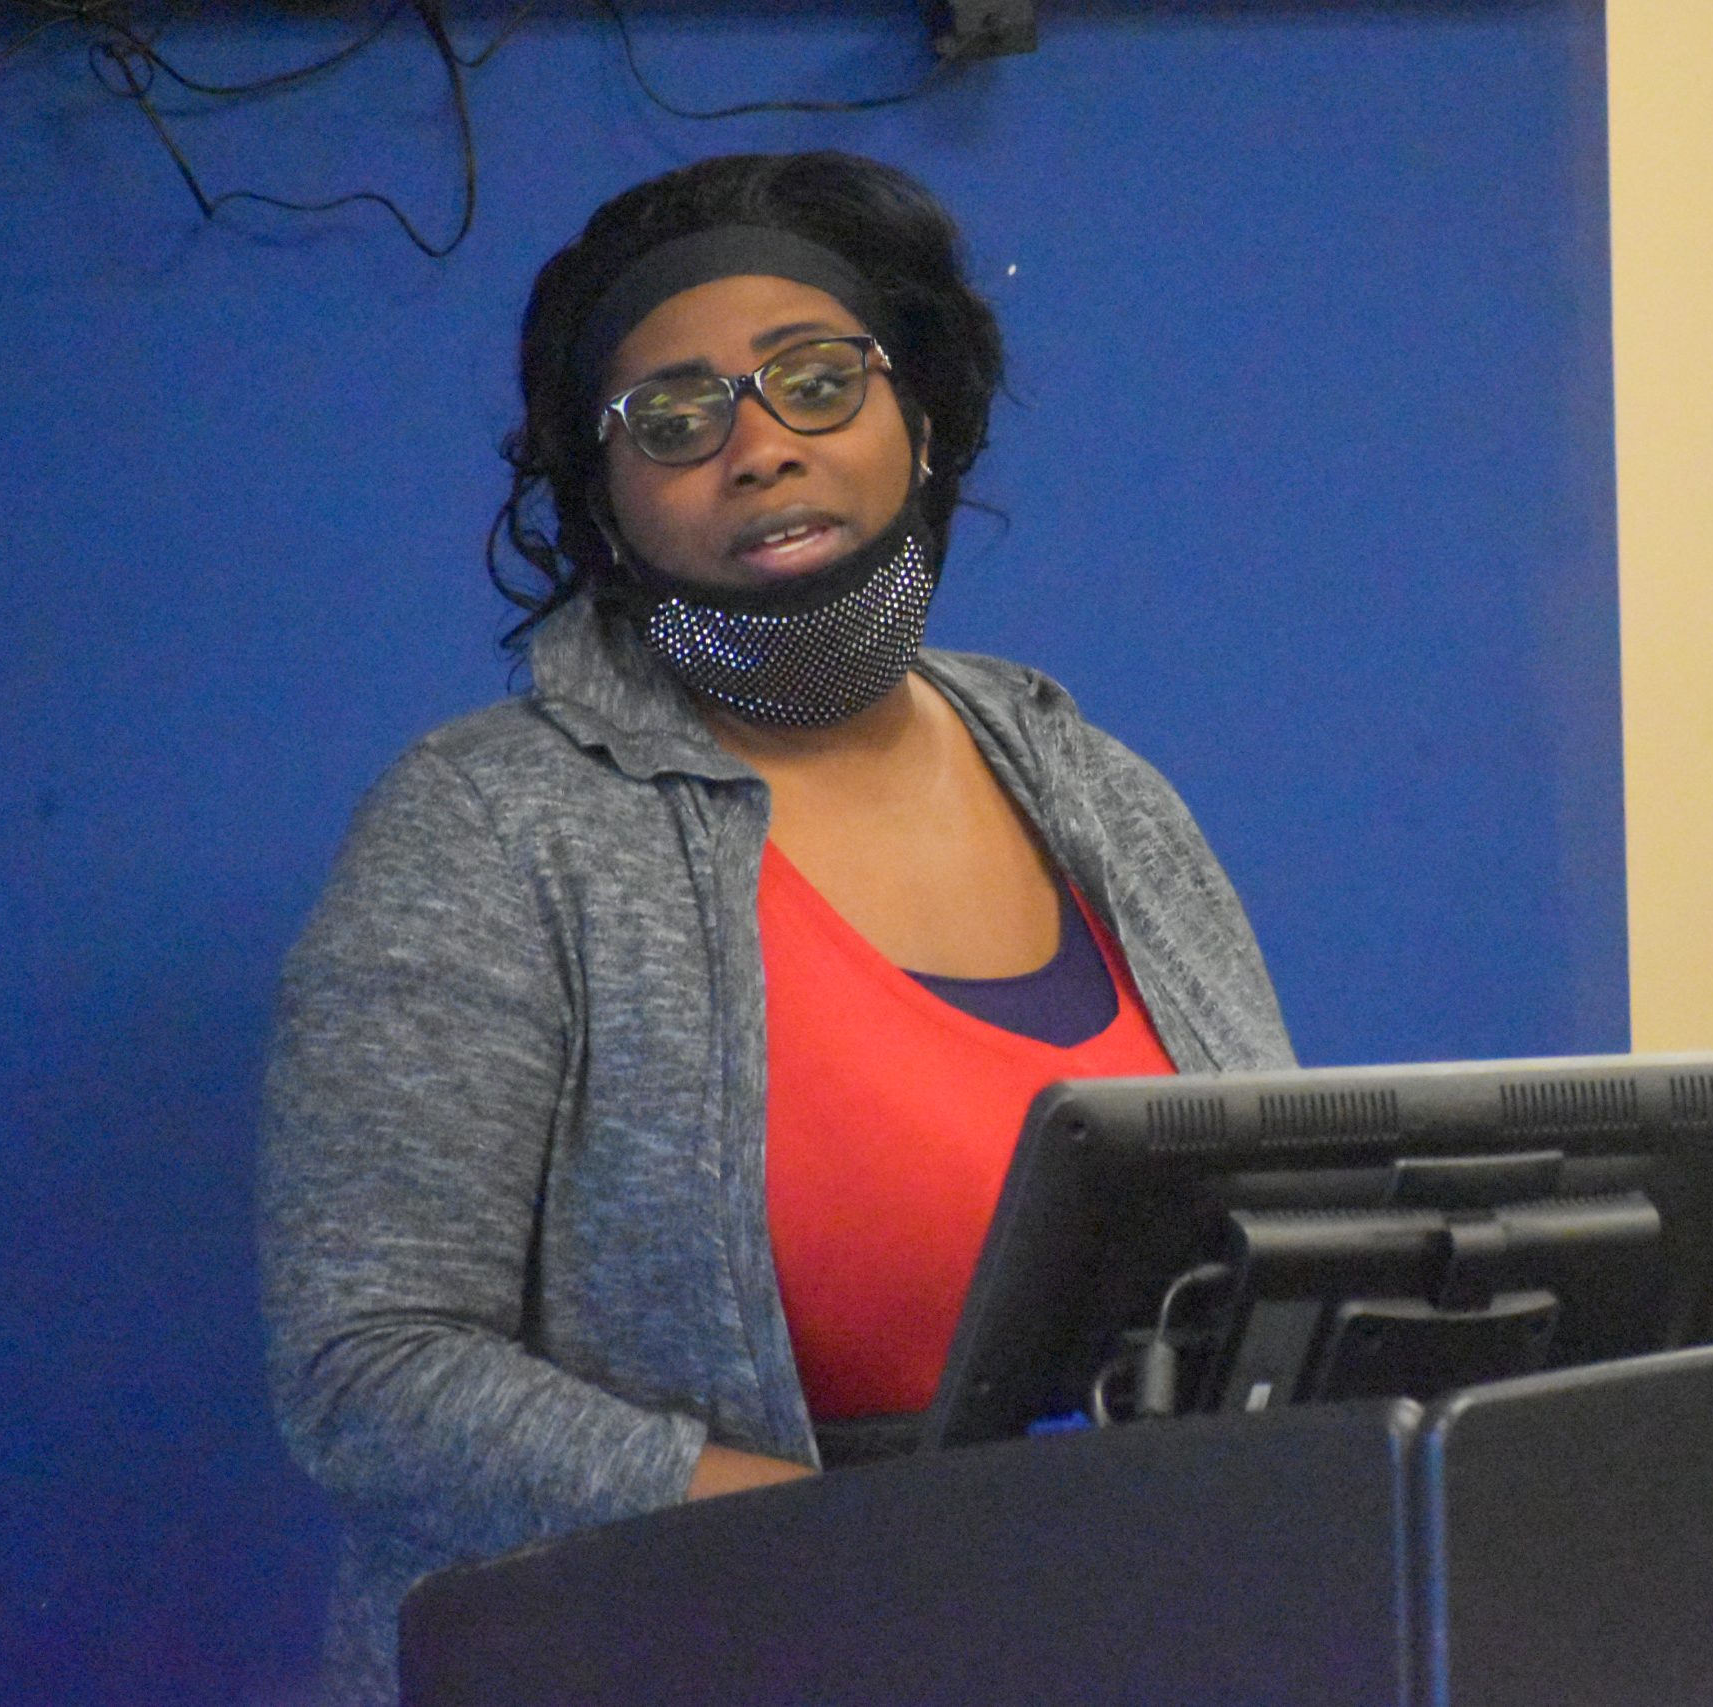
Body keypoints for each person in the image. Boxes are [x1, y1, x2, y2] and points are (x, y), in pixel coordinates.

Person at [259, 151, 1293, 1706]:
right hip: (691, 1652)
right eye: (673, 419)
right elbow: (375, 1373)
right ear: (599, 500)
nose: (758, 447)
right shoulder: (490, 826)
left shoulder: (1092, 784)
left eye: (818, 380)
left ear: (920, 420)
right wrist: (862, 1547)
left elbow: (1283, 1219)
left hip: (1118, 1634)